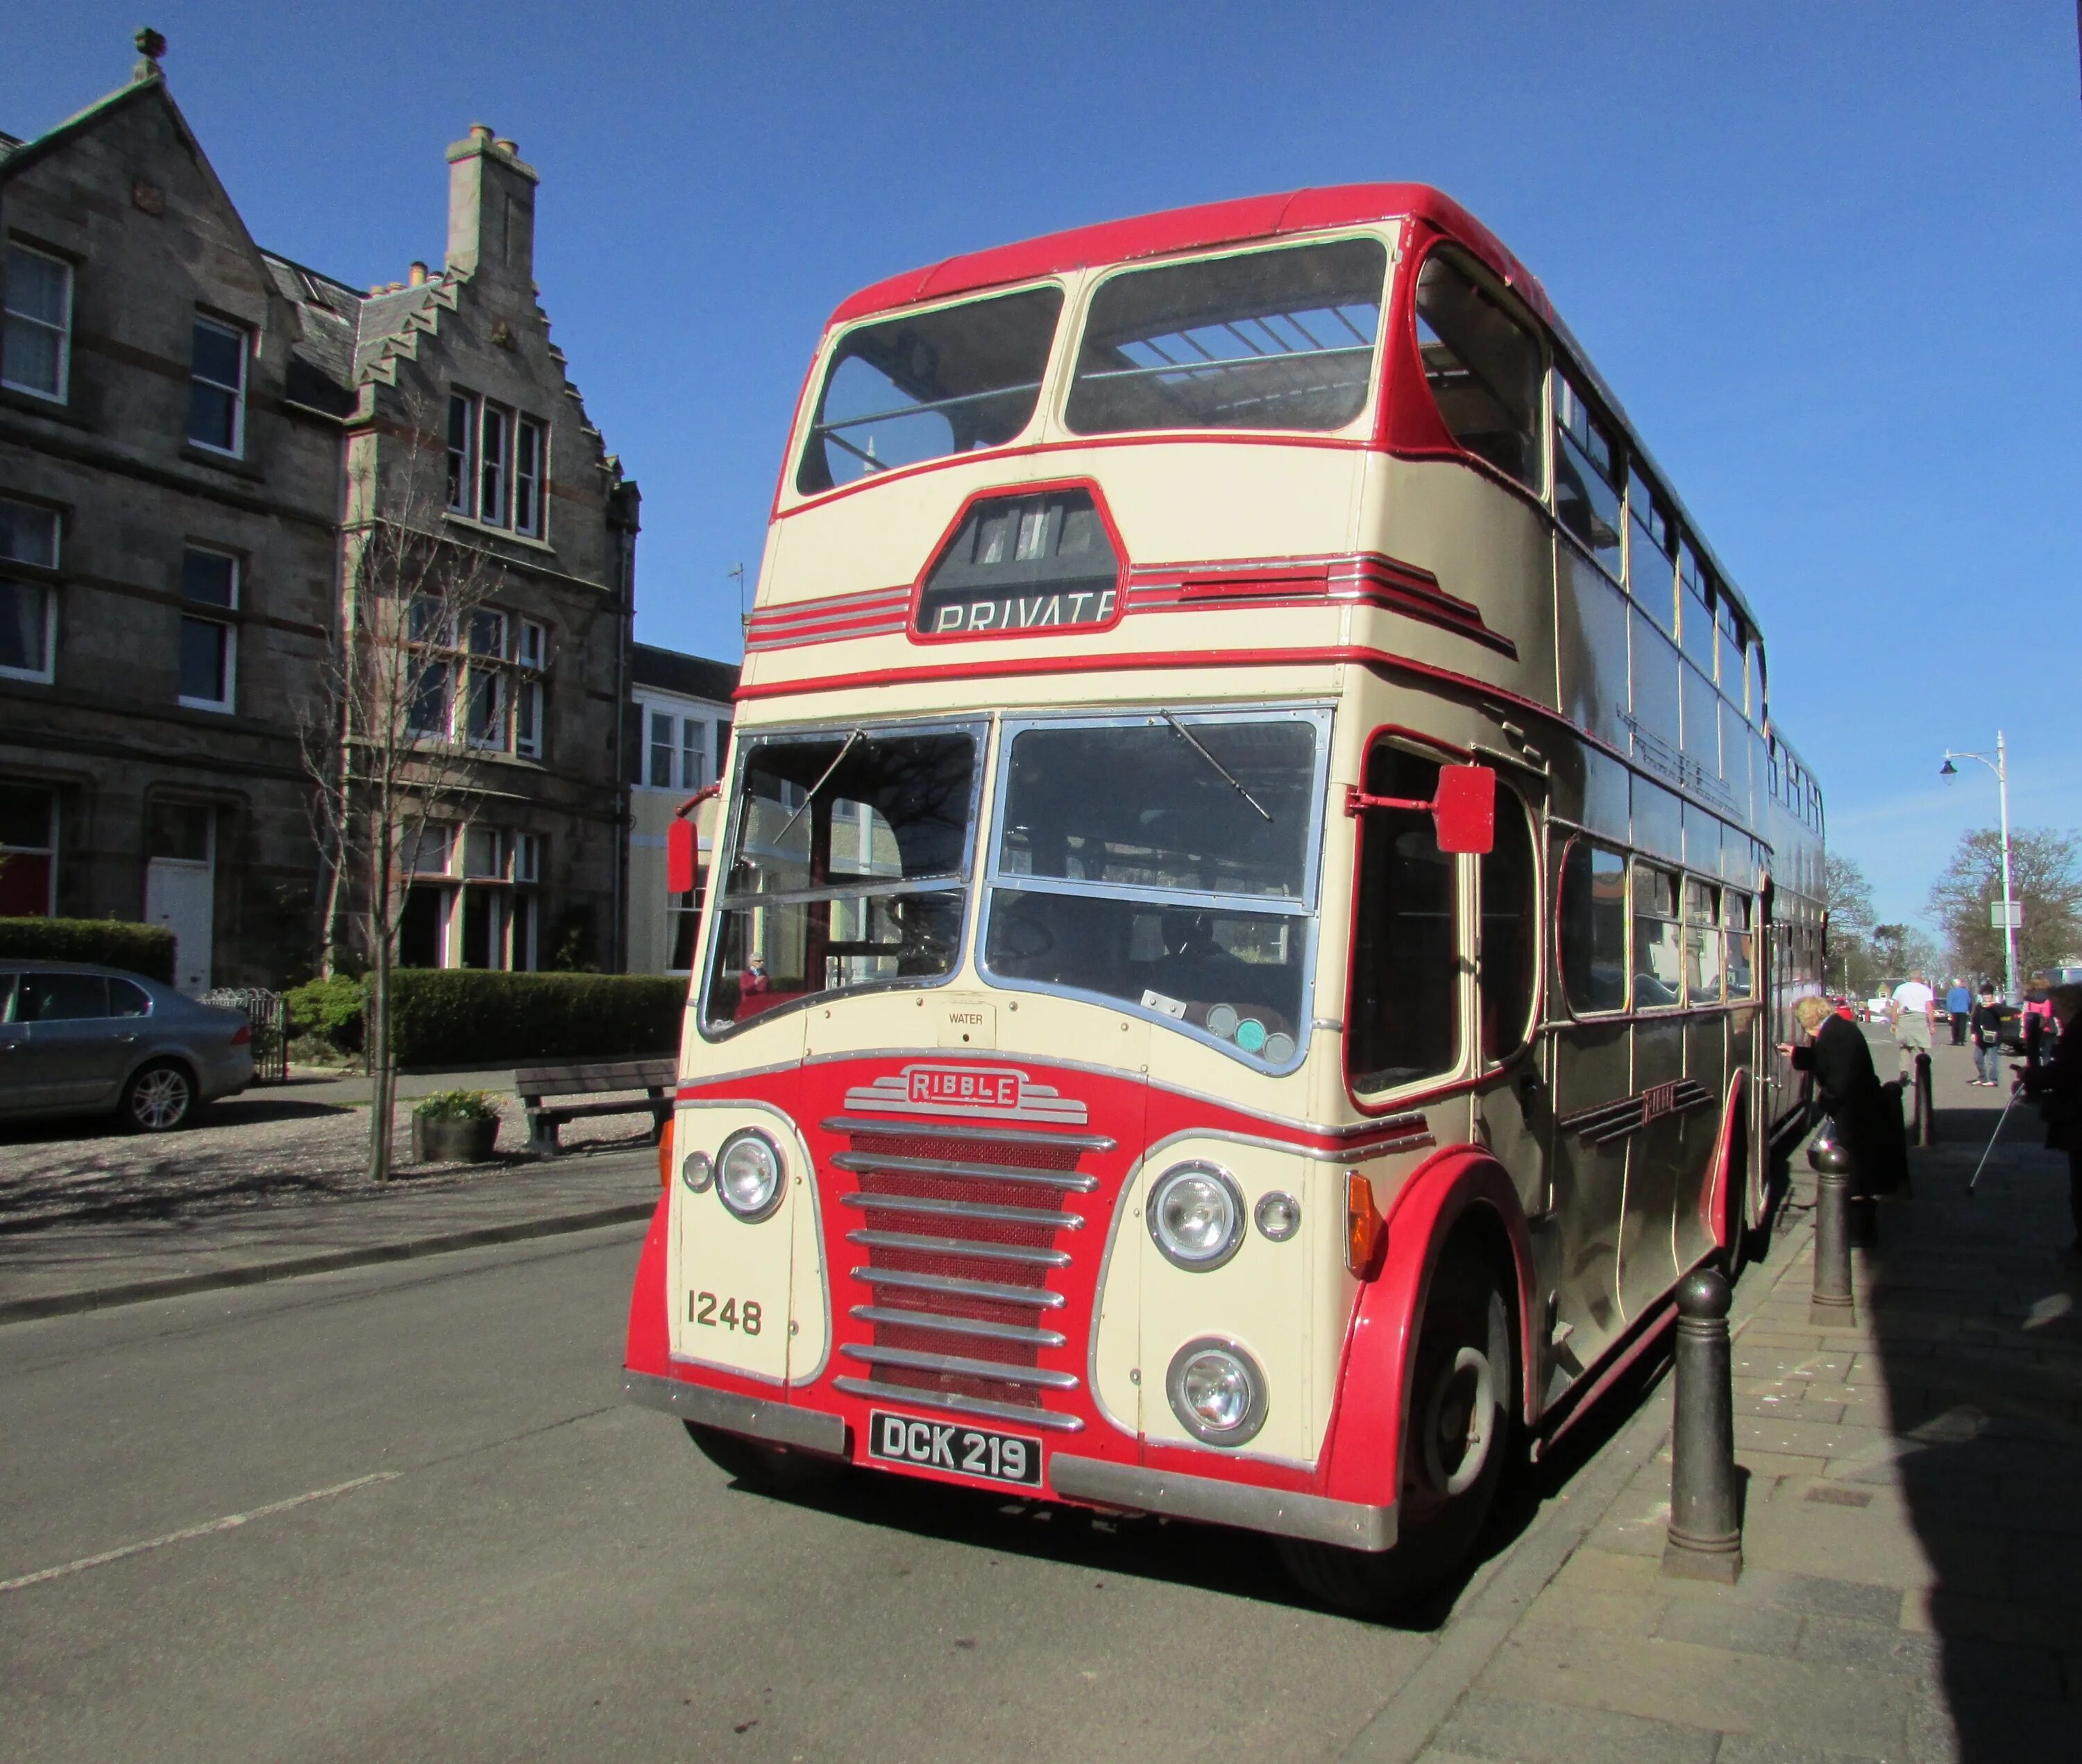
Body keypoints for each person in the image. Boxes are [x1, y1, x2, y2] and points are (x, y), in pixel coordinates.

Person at [1779, 994, 1905, 1239]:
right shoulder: (1836, 1029)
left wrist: (1825, 1101)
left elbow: (1839, 1076)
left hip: (1855, 1110)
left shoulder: (1835, 1035)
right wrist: (1797, 1053)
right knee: (1853, 1167)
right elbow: (1824, 1061)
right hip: (1857, 1106)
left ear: (1809, 1019)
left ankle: (1859, 1230)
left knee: (1853, 1168)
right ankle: (1856, 1222)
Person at [2013, 983, 2082, 1263]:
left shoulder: (2077, 1034)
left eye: (2056, 1007)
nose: (2052, 1014)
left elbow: (2065, 1072)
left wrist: (2031, 1077)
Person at [1889, 972, 1936, 1082]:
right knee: (1918, 1048)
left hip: (1904, 1018)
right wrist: (1932, 1025)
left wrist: (1894, 1022)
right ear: (1920, 978)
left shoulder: (1901, 988)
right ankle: (1917, 1077)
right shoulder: (1925, 990)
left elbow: (1895, 1007)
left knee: (1904, 1046)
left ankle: (1904, 1070)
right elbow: (1929, 1008)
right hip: (1919, 1018)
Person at [1969, 982, 2008, 1086]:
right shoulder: (1979, 1007)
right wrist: (1973, 1032)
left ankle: (1993, 1079)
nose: (1986, 997)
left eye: (1988, 995)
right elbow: (1975, 1020)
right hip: (1981, 1036)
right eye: (1984, 995)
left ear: (1992, 995)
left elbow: (2002, 1015)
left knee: (1992, 1060)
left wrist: (1992, 1007)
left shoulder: (1998, 1007)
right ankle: (1983, 1077)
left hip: (1993, 1036)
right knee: (1978, 1058)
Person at [1945, 977, 1972, 1046]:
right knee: (1962, 1026)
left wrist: (1949, 1011)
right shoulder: (1966, 992)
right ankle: (1961, 1040)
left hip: (1954, 1011)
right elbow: (1969, 1001)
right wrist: (1969, 1010)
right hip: (1964, 1011)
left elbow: (1949, 1002)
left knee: (1955, 1026)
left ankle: (1955, 1040)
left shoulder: (1952, 992)